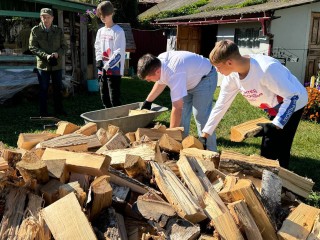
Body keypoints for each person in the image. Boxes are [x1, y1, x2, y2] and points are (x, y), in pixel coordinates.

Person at [201, 39, 308, 168]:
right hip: (274, 105)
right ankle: (268, 172)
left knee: (281, 145)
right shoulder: (232, 76)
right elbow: (221, 104)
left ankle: (283, 181)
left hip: (294, 102)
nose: (217, 70)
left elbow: (292, 96)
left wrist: (276, 125)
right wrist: (205, 134)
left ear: (229, 62)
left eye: (218, 67)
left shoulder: (266, 69)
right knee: (269, 145)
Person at [137, 51, 218, 151]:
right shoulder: (159, 63)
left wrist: (169, 137)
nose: (148, 81)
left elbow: (177, 107)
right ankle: (181, 149)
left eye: (149, 79)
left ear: (157, 71)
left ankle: (211, 151)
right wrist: (148, 101)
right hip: (187, 79)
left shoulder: (174, 72)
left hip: (205, 78)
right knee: (181, 118)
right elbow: (161, 82)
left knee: (201, 115)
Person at [29, 8, 67, 117]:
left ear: (52, 18)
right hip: (43, 65)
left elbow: (64, 46)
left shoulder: (58, 31)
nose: (46, 19)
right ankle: (43, 112)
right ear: (41, 18)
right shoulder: (35, 30)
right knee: (43, 89)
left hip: (56, 65)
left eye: (48, 17)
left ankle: (59, 110)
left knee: (57, 88)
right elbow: (32, 47)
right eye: (43, 17)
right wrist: (46, 55)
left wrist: (57, 54)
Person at [95, 1, 126, 108]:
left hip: (114, 69)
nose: (103, 17)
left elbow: (119, 53)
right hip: (101, 68)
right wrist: (99, 59)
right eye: (100, 15)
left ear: (111, 13)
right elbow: (97, 46)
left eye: (105, 15)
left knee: (114, 98)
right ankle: (108, 121)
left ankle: (118, 120)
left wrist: (107, 66)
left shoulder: (118, 31)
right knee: (104, 97)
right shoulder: (100, 31)